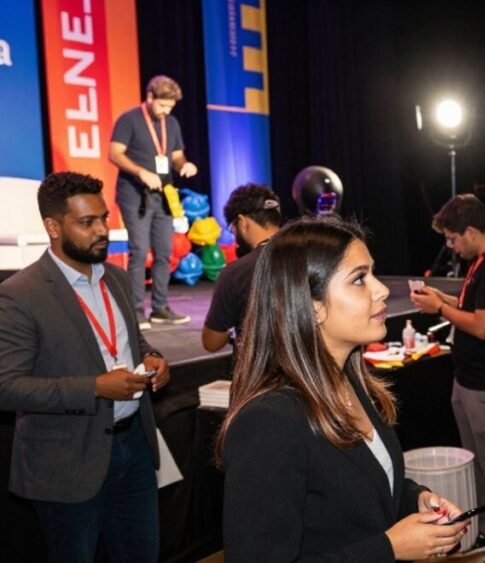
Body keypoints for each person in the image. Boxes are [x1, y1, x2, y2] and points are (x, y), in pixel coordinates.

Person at [217, 217, 468, 561]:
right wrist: (390, 548)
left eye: (372, 274)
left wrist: (415, 500)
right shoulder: (269, 420)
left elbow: (356, 492)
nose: (380, 290)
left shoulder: (350, 382)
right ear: (312, 307)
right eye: (359, 279)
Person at [0, 171, 170, 562]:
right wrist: (94, 387)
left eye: (105, 218)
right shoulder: (19, 295)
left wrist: (153, 359)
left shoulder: (117, 278)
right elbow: (7, 386)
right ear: (53, 227)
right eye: (87, 222)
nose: (102, 230)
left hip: (136, 450)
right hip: (67, 464)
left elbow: (134, 342)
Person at [410, 194, 485, 563]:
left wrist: (440, 307)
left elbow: (481, 326)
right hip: (470, 381)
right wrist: (442, 297)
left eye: (453, 238)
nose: (451, 246)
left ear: (472, 231)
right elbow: (475, 306)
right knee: (480, 464)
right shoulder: (484, 260)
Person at [109, 75, 197, 329]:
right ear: (150, 98)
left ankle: (160, 308)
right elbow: (114, 153)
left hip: (164, 195)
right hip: (135, 195)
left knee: (164, 253)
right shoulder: (129, 120)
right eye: (162, 106)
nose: (165, 112)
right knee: (139, 251)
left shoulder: (171, 123)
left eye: (170, 108)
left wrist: (185, 165)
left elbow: (177, 155)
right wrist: (141, 172)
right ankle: (136, 311)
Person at [202, 184, 281, 353]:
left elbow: (211, 342)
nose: (235, 237)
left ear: (243, 223)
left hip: (263, 376)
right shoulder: (311, 254)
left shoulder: (236, 273)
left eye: (233, 229)